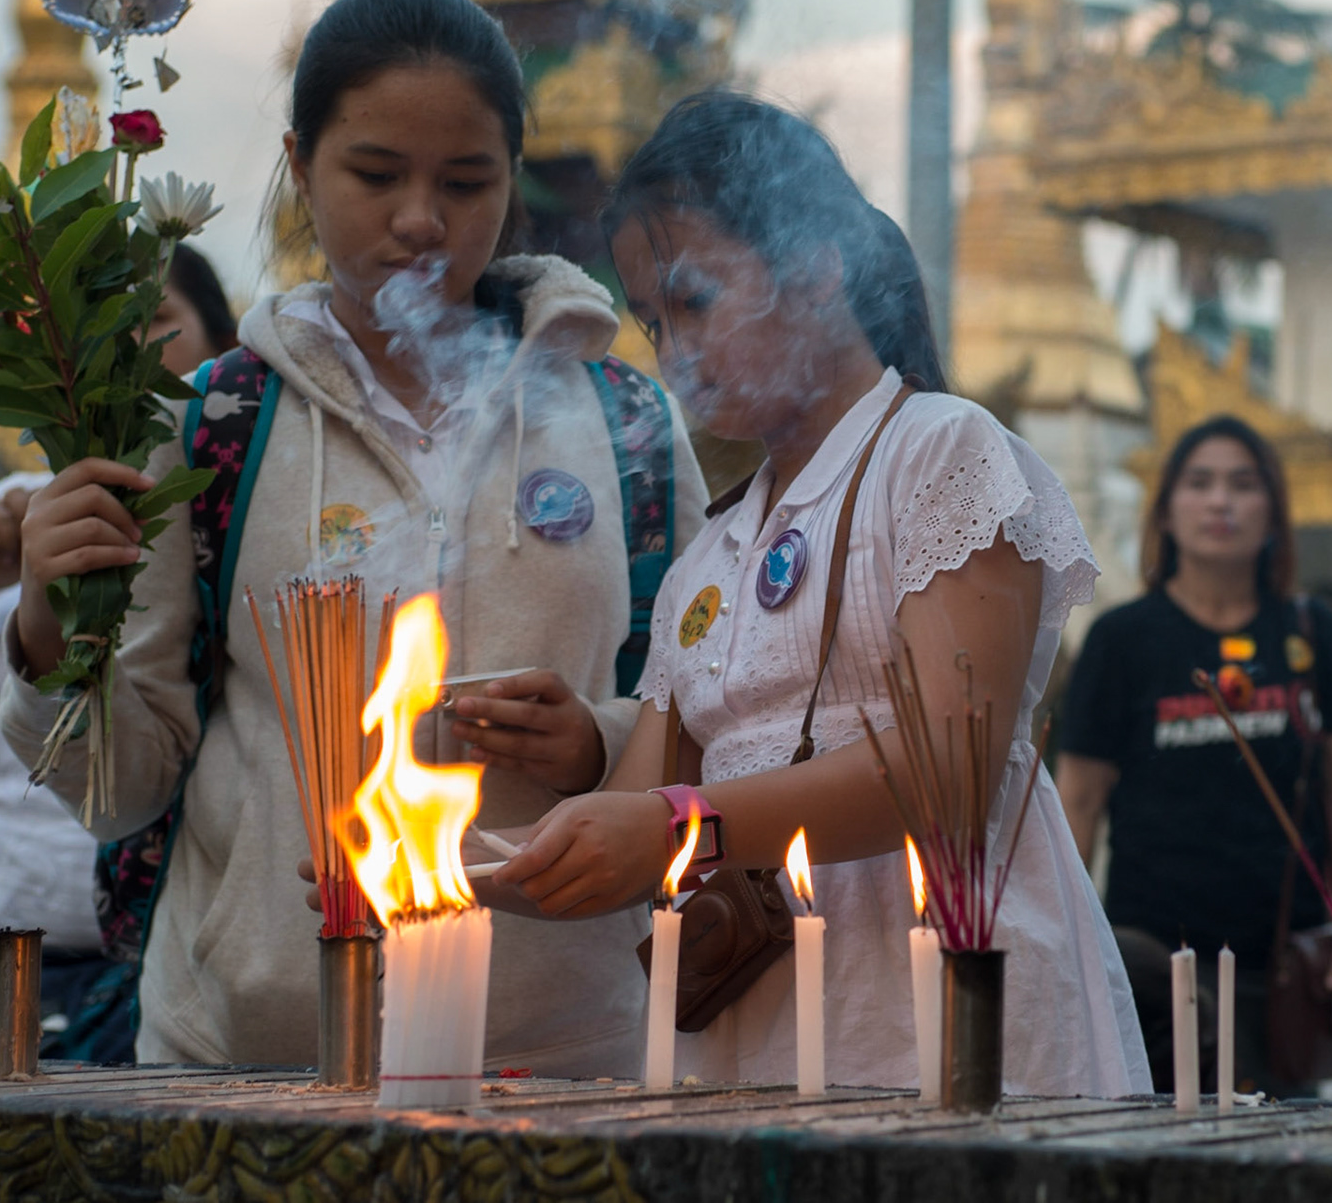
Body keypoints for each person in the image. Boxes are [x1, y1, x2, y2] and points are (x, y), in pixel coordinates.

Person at [0, 0, 706, 1072]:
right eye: (375, 175)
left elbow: (710, 715)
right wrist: (46, 628)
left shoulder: (625, 423)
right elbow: (117, 789)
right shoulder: (215, 428)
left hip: (565, 1064)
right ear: (299, 164)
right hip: (252, 1064)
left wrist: (595, 746)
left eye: (466, 182)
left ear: (513, 182)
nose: (420, 220)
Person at [493, 91, 1150, 1097]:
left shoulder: (941, 453)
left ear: (815, 264)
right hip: (760, 1023)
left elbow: (950, 778)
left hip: (944, 997)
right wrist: (432, 867)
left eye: (694, 301)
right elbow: (630, 813)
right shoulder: (709, 558)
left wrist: (680, 829)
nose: (672, 354)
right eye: (652, 321)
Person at [0, 243, 236, 1059]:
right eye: (102, 332)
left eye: (156, 321)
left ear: (227, 350)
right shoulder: (2, 518)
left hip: (208, 982)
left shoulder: (250, 521)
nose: (129, 353)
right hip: (8, 975)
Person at [1056, 414, 1332, 1095]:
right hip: (1153, 960)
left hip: (1284, 964)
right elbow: (1079, 798)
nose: (1220, 501)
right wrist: (1066, 944)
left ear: (1273, 511)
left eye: (1242, 483)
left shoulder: (1314, 632)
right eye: (1199, 483)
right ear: (1168, 511)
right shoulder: (1121, 639)